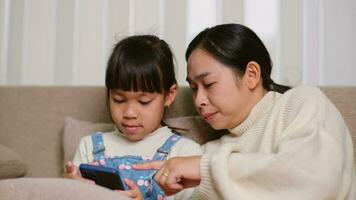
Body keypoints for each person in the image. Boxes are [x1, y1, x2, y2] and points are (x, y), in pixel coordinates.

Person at [134, 24, 356, 199]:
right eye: (193, 89)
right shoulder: (212, 151)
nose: (199, 100)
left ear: (251, 74)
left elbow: (317, 180)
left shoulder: (302, 103)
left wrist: (203, 169)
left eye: (209, 84)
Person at [64, 35, 201, 200]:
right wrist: (69, 188)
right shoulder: (89, 147)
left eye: (144, 102)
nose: (129, 113)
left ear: (169, 95)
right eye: (119, 100)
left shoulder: (185, 153)